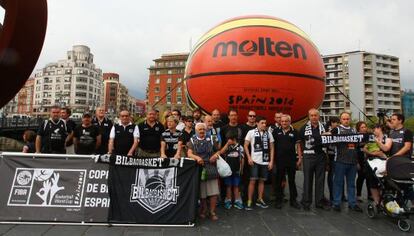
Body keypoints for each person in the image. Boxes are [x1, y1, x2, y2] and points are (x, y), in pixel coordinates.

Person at [187, 123, 220, 221]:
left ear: (206, 130)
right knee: (202, 193)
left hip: (211, 167)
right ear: (196, 130)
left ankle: (212, 211)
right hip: (199, 168)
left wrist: (215, 156)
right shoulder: (192, 140)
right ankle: (203, 210)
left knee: (213, 192)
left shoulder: (212, 139)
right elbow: (189, 153)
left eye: (203, 129)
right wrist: (197, 157)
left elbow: (218, 151)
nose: (202, 131)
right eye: (200, 129)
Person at [331, 112, 363, 212]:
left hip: (352, 161)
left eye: (348, 119)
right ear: (340, 120)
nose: (346, 120)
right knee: (338, 183)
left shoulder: (354, 130)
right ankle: (337, 203)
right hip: (340, 160)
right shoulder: (336, 129)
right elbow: (329, 141)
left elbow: (357, 146)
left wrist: (357, 161)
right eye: (344, 119)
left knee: (351, 184)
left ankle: (352, 203)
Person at [298, 109, 328, 210]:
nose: (314, 117)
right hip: (308, 156)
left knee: (320, 180)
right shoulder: (303, 128)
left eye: (315, 115)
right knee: (307, 180)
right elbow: (300, 142)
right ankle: (306, 202)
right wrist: (302, 155)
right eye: (312, 115)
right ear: (309, 117)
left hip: (321, 156)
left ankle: (319, 202)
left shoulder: (324, 127)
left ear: (318, 116)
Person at [244, 116, 274, 210]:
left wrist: (271, 161)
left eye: (265, 123)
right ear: (257, 123)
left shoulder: (268, 133)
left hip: (265, 161)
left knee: (262, 181)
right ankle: (249, 201)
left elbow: (272, 148)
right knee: (252, 181)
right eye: (262, 123)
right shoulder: (251, 132)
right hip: (255, 161)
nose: (264, 125)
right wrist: (249, 158)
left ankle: (259, 199)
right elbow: (245, 145)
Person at [273, 114, 301, 209]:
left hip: (291, 160)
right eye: (282, 121)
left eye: (286, 121)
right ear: (280, 122)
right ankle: (278, 200)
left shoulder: (295, 132)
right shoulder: (276, 132)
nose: (284, 123)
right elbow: (272, 146)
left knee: (292, 180)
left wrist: (300, 158)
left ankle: (293, 200)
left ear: (290, 122)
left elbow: (298, 146)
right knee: (279, 180)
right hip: (279, 160)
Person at [364, 124, 392, 207]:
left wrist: (377, 141)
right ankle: (377, 202)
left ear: (379, 129)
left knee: (383, 182)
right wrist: (372, 153)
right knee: (372, 182)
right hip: (371, 162)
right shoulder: (371, 139)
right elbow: (365, 149)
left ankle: (384, 200)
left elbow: (386, 148)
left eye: (375, 129)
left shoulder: (387, 139)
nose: (373, 131)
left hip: (383, 163)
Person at [218, 131, 244, 210]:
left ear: (234, 139)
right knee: (228, 186)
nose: (228, 141)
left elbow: (242, 159)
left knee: (236, 186)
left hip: (236, 170)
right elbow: (221, 152)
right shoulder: (227, 147)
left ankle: (237, 201)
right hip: (227, 171)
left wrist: (241, 169)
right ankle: (228, 200)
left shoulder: (240, 147)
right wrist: (227, 144)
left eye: (229, 139)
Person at [325, 116, 340, 202]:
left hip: (338, 156)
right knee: (331, 176)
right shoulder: (327, 130)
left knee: (339, 176)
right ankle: (331, 195)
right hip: (330, 157)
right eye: (334, 122)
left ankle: (340, 195)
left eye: (338, 122)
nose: (336, 124)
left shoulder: (339, 130)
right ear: (331, 123)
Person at [355, 121, 371, 202]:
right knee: (360, 177)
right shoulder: (356, 137)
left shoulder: (369, 136)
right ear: (358, 128)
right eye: (362, 127)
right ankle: (358, 195)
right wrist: (357, 162)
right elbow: (355, 150)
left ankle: (370, 194)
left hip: (369, 160)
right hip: (360, 159)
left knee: (369, 178)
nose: (364, 129)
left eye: (365, 127)